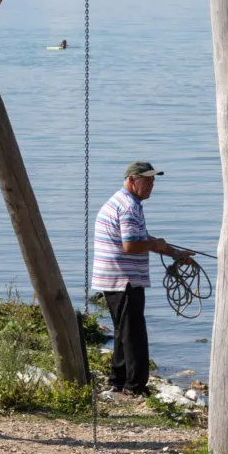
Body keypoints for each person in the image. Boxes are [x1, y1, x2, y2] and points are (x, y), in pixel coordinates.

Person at [91, 161, 192, 396]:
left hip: (113, 277)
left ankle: (118, 379)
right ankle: (135, 386)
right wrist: (155, 245)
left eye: (153, 181)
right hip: (123, 279)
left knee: (123, 330)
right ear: (132, 180)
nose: (151, 186)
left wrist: (174, 253)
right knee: (133, 332)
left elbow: (140, 237)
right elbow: (131, 245)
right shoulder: (129, 206)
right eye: (147, 180)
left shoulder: (122, 201)